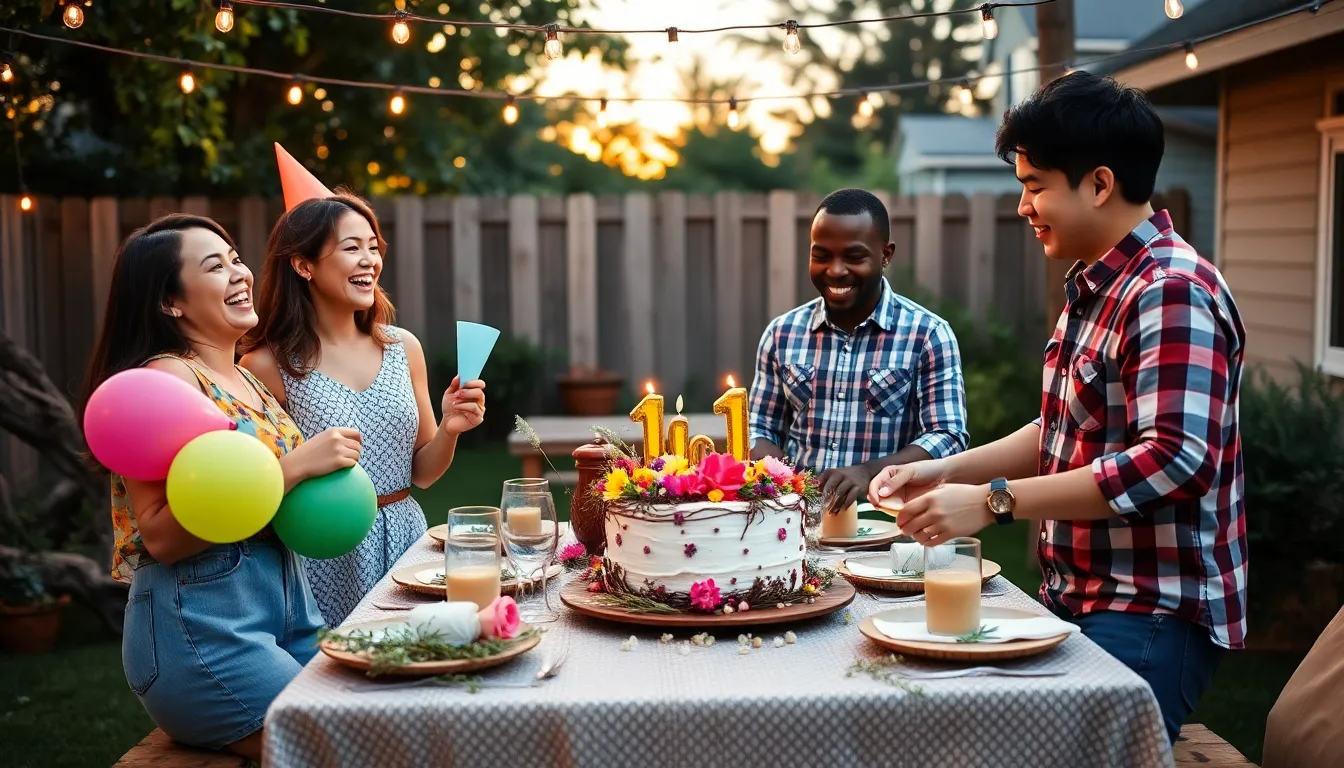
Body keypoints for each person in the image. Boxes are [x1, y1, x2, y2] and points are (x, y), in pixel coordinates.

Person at [867, 71, 1246, 744]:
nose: (1022, 206)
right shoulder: (1099, 284)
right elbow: (1062, 428)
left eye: (1034, 185)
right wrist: (946, 472)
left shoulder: (1171, 290)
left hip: (1153, 612)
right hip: (1080, 597)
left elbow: (1174, 461)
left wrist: (991, 503)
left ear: (1099, 184)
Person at [82, 214, 360, 759]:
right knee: (342, 750)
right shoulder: (166, 380)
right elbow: (160, 537)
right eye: (215, 266)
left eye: (236, 258)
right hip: (205, 631)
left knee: (376, 726)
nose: (240, 273)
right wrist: (294, 468)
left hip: (288, 614)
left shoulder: (247, 377)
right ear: (171, 303)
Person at [240, 187, 486, 627]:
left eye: (374, 248)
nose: (370, 260)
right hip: (323, 553)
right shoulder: (265, 366)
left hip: (407, 540)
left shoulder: (402, 347)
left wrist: (450, 427)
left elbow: (423, 474)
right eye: (352, 248)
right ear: (303, 265)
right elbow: (259, 486)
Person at [748, 187, 968, 513]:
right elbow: (760, 426)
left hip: (888, 529)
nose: (835, 270)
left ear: (886, 255)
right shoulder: (781, 334)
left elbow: (947, 436)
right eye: (821, 255)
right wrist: (782, 476)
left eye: (854, 257)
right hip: (795, 526)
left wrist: (868, 472)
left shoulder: (928, 335)